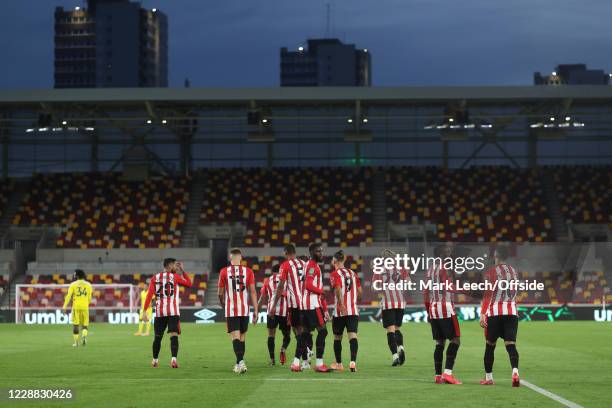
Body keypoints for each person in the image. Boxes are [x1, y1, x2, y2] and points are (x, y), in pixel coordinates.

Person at [479, 245, 520, 387]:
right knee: (511, 345)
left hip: (495, 312)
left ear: (496, 255)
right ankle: (515, 371)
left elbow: (487, 295)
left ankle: (489, 378)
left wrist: (483, 313)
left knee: (490, 345)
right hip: (511, 312)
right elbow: (515, 293)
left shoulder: (491, 272)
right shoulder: (514, 271)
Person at [142, 258, 193, 368]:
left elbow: (149, 295)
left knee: (157, 337)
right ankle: (173, 359)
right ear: (169, 266)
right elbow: (189, 284)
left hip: (160, 312)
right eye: (175, 265)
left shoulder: (155, 278)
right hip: (173, 312)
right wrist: (183, 271)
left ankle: (155, 360)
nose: (176, 267)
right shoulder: (175, 277)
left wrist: (144, 311)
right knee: (174, 335)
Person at [423, 245, 462, 385]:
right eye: (447, 251)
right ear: (441, 253)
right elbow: (449, 287)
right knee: (455, 340)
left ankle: (438, 376)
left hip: (433, 308)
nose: (450, 253)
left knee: (439, 342)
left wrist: (428, 311)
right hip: (445, 307)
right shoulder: (446, 268)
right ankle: (448, 373)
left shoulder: (430, 269)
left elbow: (425, 292)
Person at [218, 248, 259, 373]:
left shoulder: (224, 271)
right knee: (242, 337)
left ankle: (240, 362)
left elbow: (220, 293)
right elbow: (252, 292)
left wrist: (222, 303)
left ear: (231, 258)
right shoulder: (248, 271)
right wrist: (256, 310)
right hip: (244, 310)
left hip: (231, 309)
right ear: (240, 258)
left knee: (235, 337)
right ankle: (239, 363)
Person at [269, 244, 306, 372]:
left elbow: (280, 287)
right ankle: (305, 360)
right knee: (301, 332)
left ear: (286, 253)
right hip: (306, 303)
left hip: (295, 303)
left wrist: (273, 305)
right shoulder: (304, 263)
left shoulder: (285, 265)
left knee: (298, 332)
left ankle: (297, 362)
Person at [329, 250, 362, 372]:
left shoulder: (335, 274)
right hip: (353, 310)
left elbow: (337, 288)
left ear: (335, 261)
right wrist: (354, 302)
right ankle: (353, 363)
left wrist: (342, 305)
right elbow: (360, 292)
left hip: (340, 311)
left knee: (337, 338)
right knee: (352, 335)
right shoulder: (353, 273)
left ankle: (339, 364)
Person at [376, 249, 409, 366]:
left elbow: (376, 287)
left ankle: (395, 356)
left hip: (388, 302)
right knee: (397, 328)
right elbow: (407, 283)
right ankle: (401, 347)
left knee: (390, 329)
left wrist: (382, 294)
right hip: (400, 301)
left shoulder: (379, 270)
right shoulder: (401, 269)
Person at [301, 243, 330, 372]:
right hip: (312, 304)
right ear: (312, 252)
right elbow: (308, 285)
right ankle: (319, 363)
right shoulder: (312, 266)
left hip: (306, 304)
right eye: (318, 251)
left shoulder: (310, 265)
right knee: (323, 331)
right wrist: (320, 291)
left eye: (322, 251)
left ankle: (303, 362)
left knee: (306, 333)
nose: (321, 253)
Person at [258, 264, 290, 365]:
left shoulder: (268, 280)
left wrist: (256, 311)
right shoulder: (287, 280)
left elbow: (262, 297)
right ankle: (283, 348)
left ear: (272, 272)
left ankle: (272, 359)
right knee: (287, 335)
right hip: (285, 311)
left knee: (271, 335)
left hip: (271, 311)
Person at [62, 269, 92, 347]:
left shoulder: (73, 284)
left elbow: (68, 296)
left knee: (75, 325)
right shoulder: (88, 285)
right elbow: (89, 298)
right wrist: (86, 304)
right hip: (85, 306)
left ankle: (76, 342)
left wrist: (64, 306)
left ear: (77, 276)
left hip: (76, 307)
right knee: (85, 325)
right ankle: (84, 337)